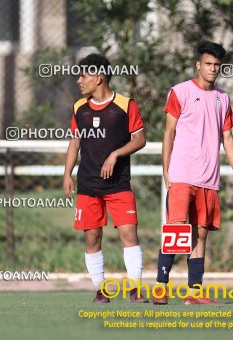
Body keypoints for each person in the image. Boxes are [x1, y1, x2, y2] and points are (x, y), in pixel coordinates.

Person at [153, 41, 233, 305]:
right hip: (182, 175)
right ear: (198, 65)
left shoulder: (223, 98)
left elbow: (227, 138)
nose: (213, 69)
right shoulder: (179, 92)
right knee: (176, 229)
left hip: (209, 178)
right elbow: (168, 133)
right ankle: (161, 287)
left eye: (217, 65)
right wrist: (167, 170)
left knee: (200, 233)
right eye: (208, 64)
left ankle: (194, 293)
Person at [63, 53, 147, 303]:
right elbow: (74, 143)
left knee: (129, 234)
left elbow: (140, 139)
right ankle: (101, 291)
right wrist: (67, 174)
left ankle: (135, 290)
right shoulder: (79, 108)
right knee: (91, 238)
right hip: (88, 185)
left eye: (84, 75)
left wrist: (115, 154)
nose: (79, 80)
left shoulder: (125, 105)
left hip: (119, 184)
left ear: (99, 77)